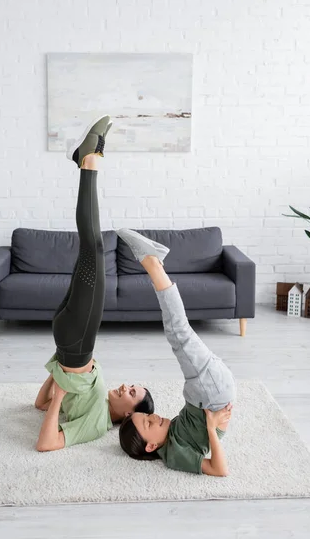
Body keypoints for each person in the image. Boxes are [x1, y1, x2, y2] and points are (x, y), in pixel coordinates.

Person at [35, 115, 154, 452]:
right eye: (133, 387)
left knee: (94, 246)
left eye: (132, 393)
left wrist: (59, 392)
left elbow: (46, 443)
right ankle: (85, 161)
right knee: (91, 249)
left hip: (74, 342)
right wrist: (57, 378)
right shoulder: (101, 402)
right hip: (71, 340)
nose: (126, 387)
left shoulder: (98, 423)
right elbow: (39, 404)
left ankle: (88, 161)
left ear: (129, 414)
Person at [117, 228, 236, 476]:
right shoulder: (173, 457)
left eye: (147, 417)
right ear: (151, 446)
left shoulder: (169, 440)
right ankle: (152, 263)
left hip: (205, 391)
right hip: (209, 393)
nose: (155, 416)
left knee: (179, 333)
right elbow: (220, 470)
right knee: (178, 332)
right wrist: (212, 429)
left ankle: (155, 264)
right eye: (149, 423)